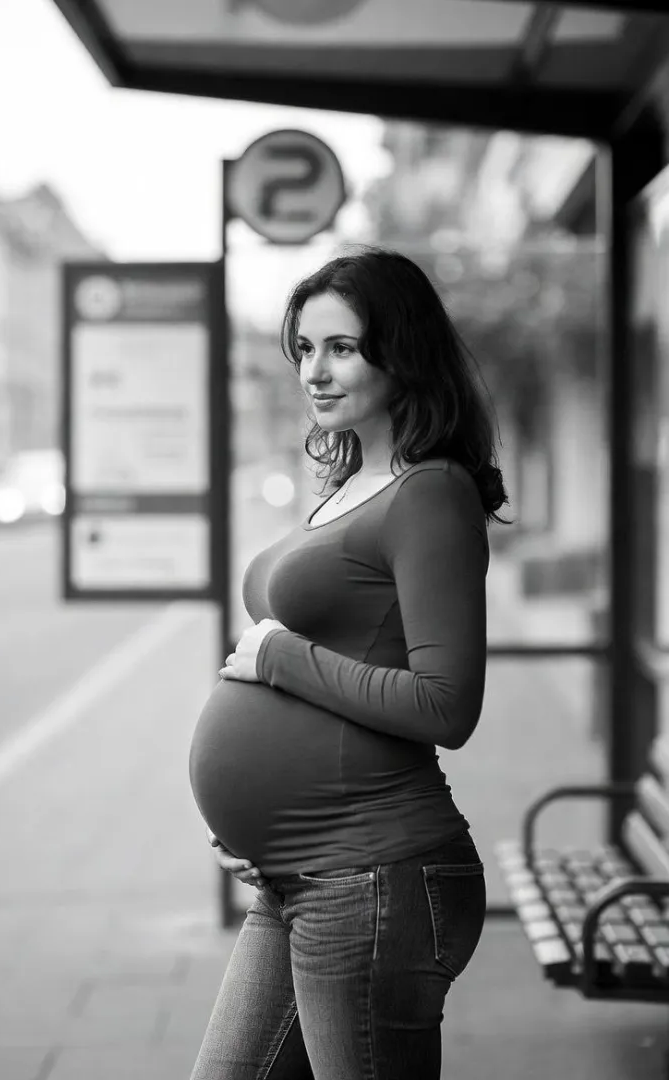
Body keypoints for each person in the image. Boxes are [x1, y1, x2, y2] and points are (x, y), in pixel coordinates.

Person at [188, 246, 509, 1080]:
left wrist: (282, 657)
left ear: (400, 353)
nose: (316, 372)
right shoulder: (349, 483)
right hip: (296, 876)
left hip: (375, 879)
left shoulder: (431, 493)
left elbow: (447, 706)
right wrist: (257, 819)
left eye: (342, 347)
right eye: (303, 349)